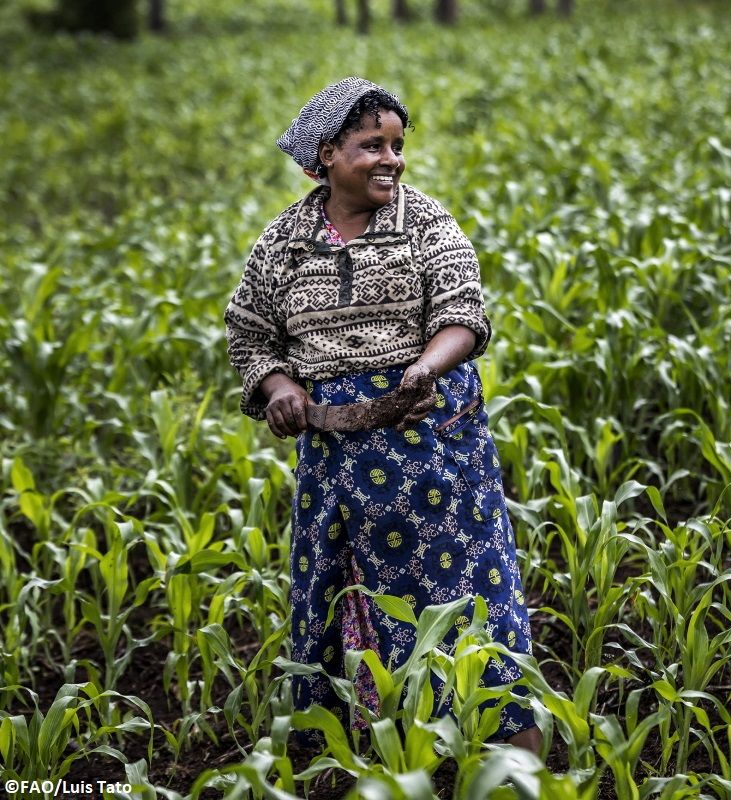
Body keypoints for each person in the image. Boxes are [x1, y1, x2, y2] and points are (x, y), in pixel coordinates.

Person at [225, 76, 540, 753]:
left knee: (465, 593)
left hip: (434, 448)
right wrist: (279, 386)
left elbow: (463, 315)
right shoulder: (284, 243)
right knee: (344, 595)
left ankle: (511, 754)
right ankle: (371, 750)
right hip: (336, 462)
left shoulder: (426, 224)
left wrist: (425, 366)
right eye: (372, 146)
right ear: (324, 156)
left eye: (397, 145)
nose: (391, 160)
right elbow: (249, 333)